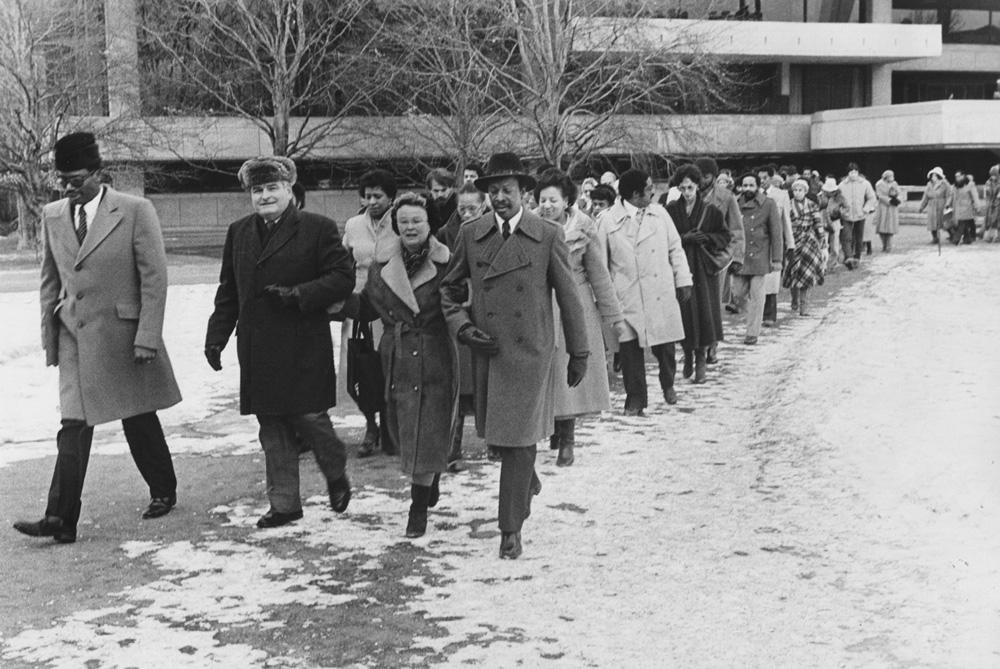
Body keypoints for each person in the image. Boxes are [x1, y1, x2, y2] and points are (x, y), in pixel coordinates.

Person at [14, 132, 182, 544]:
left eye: (75, 179)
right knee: (73, 425)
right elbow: (49, 281)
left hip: (123, 335)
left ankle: (163, 488)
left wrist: (147, 336)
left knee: (137, 415)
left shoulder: (135, 211)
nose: (68, 188)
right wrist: (50, 339)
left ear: (97, 173)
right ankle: (61, 517)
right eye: (62, 181)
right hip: (74, 334)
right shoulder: (53, 215)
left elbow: (155, 280)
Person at [440, 152, 589, 560]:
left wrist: (580, 351)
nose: (500, 198)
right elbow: (450, 291)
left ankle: (510, 528)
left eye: (508, 190)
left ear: (524, 192)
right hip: (488, 349)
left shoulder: (547, 233)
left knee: (519, 439)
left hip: (531, 350)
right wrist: (463, 328)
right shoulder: (472, 234)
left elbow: (569, 296)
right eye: (493, 191)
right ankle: (527, 482)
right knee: (501, 439)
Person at [204, 157, 355, 528]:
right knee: (271, 427)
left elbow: (342, 277)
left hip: (303, 343)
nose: (265, 196)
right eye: (258, 190)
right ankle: (285, 504)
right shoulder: (238, 231)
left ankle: (335, 471)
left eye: (273, 188)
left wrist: (298, 294)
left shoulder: (317, 228)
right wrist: (216, 336)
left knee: (309, 418)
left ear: (289, 190)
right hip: (258, 346)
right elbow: (229, 291)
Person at [343, 193, 456, 538]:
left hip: (435, 352)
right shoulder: (383, 266)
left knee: (428, 429)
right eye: (403, 221)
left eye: (416, 221)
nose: (409, 227)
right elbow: (369, 307)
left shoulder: (448, 262)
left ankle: (417, 507)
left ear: (430, 224)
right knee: (406, 434)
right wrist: (332, 300)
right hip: (397, 355)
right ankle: (429, 477)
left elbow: (461, 301)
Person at [534, 169, 625, 467]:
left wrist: (613, 314)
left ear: (567, 201)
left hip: (576, 302)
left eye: (553, 200)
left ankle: (568, 438)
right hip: (541, 302)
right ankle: (553, 428)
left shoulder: (583, 227)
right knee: (546, 368)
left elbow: (598, 272)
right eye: (542, 199)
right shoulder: (530, 225)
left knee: (568, 368)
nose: (547, 205)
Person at [601, 168, 692, 413]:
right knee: (630, 351)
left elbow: (675, 248)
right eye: (649, 188)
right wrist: (606, 298)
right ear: (634, 193)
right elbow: (601, 263)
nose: (654, 191)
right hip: (627, 295)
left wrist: (683, 279)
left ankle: (668, 383)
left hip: (658, 289)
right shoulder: (608, 220)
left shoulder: (660, 214)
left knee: (665, 346)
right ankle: (636, 400)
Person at [342, 169, 398, 457]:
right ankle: (370, 426)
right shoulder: (353, 225)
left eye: (378, 196)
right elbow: (343, 262)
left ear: (391, 197)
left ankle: (392, 429)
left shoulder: (401, 222)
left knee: (390, 366)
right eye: (367, 196)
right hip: (362, 308)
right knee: (362, 370)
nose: (372, 201)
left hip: (393, 306)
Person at [435, 182, 488, 471]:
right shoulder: (445, 233)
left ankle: (494, 442)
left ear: (483, 205)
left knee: (487, 382)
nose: (467, 213)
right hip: (459, 316)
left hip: (488, 314)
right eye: (462, 207)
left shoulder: (494, 230)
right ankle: (452, 448)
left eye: (473, 208)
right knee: (457, 384)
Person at [664, 164, 731, 384]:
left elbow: (724, 235)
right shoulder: (671, 210)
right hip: (681, 267)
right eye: (682, 188)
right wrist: (684, 238)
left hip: (703, 270)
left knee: (704, 312)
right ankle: (688, 353)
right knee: (683, 312)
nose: (687, 192)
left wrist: (708, 238)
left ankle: (701, 357)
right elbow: (664, 237)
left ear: (697, 187)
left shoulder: (711, 211)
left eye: (690, 187)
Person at [694, 157, 744, 365]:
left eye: (705, 176)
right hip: (692, 256)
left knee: (713, 304)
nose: (701, 181)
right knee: (694, 304)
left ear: (713, 178)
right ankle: (696, 347)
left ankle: (712, 345)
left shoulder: (726, 197)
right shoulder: (687, 194)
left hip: (716, 257)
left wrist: (735, 256)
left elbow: (736, 229)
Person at [731, 173, 783, 345]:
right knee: (737, 293)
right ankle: (751, 317)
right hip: (740, 256)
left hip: (760, 255)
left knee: (757, 296)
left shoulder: (768, 204)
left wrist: (777, 258)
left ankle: (752, 333)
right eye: (744, 185)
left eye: (751, 185)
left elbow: (776, 233)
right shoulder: (735, 203)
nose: (747, 189)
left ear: (758, 186)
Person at [782, 179, 826, 317]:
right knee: (793, 271)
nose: (797, 192)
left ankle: (804, 306)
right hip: (792, 241)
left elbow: (818, 223)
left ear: (805, 191)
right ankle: (794, 299)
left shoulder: (812, 205)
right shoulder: (787, 205)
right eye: (795, 190)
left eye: (800, 190)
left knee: (806, 273)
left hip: (808, 241)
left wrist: (822, 240)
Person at [837, 162, 876, 269]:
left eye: (855, 172)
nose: (853, 174)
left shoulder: (865, 183)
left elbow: (872, 197)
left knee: (859, 238)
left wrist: (866, 209)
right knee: (847, 237)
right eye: (851, 172)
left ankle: (857, 257)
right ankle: (849, 258)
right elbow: (837, 199)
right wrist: (841, 210)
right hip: (847, 215)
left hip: (860, 214)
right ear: (848, 173)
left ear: (858, 172)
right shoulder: (842, 185)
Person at [919, 167, 951, 245]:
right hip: (931, 205)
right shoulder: (929, 184)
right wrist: (922, 206)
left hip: (941, 205)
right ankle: (935, 238)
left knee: (944, 222)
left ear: (938, 176)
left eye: (934, 175)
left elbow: (949, 195)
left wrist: (947, 204)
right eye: (932, 175)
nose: (932, 177)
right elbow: (925, 196)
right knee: (932, 223)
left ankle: (952, 235)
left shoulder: (945, 184)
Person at [818, 177, 844, 271]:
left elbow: (846, 208)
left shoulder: (840, 197)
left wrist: (840, 212)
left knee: (835, 245)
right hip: (823, 221)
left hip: (835, 222)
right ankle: (823, 265)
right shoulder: (820, 197)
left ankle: (832, 264)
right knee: (823, 244)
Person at [951, 170, 982, 245]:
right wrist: (948, 204)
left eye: (958, 176)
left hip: (967, 207)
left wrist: (978, 206)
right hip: (957, 207)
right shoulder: (955, 186)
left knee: (961, 223)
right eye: (956, 176)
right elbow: (952, 196)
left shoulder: (970, 185)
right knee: (963, 223)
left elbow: (975, 196)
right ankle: (967, 239)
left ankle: (956, 239)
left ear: (963, 176)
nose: (957, 178)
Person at [873, 170, 901, 252]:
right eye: (890, 176)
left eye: (893, 176)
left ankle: (889, 246)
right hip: (883, 207)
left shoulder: (894, 183)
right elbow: (880, 195)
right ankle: (884, 245)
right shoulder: (879, 184)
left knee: (890, 227)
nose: (892, 178)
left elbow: (899, 192)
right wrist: (889, 200)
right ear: (885, 177)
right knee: (882, 227)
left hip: (892, 208)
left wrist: (897, 199)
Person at [425, 167, 457, 234]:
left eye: (443, 190)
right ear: (430, 190)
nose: (440, 194)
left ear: (451, 188)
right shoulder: (425, 206)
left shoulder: (458, 206)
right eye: (436, 191)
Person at [985, 165, 1000, 243]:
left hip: (998, 203)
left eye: (994, 175)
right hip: (992, 204)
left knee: (998, 221)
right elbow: (987, 194)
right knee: (991, 220)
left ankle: (997, 237)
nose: (993, 176)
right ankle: (990, 237)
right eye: (991, 175)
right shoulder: (988, 182)